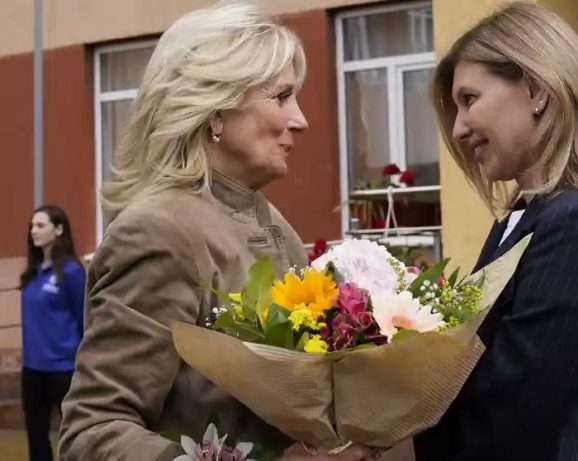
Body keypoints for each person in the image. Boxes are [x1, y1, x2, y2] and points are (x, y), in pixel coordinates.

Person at [58, 2, 370, 461]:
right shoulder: (158, 231)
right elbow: (92, 433)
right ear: (216, 109)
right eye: (282, 97)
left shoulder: (273, 223)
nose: (300, 121)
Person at [414, 3, 578, 461]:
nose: (459, 129)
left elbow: (513, 412)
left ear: (536, 89)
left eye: (469, 100)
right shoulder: (523, 219)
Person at [19, 205, 85, 461]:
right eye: (32, 226)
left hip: (64, 369)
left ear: (58, 230)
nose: (33, 231)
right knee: (36, 437)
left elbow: (84, 318)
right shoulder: (31, 274)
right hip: (32, 370)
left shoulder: (71, 272)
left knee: (76, 435)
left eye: (40, 225)